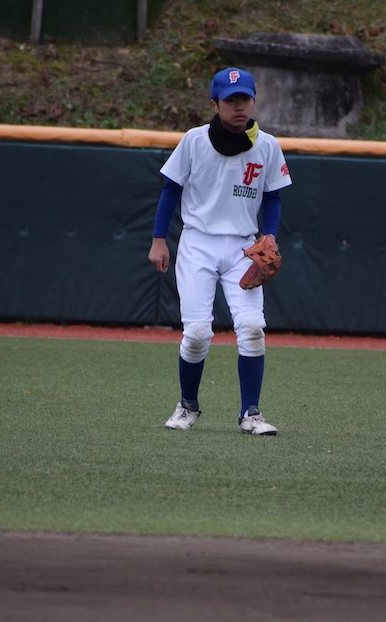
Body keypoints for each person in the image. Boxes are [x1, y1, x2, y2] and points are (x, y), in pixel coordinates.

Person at [147, 66, 293, 436]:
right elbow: (170, 189)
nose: (239, 106)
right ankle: (187, 406)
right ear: (215, 104)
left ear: (253, 101)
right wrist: (159, 239)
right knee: (197, 333)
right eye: (230, 100)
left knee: (253, 328)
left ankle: (251, 414)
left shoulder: (267, 145)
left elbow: (273, 197)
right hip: (198, 243)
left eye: (245, 98)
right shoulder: (194, 140)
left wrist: (270, 235)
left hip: (244, 247)